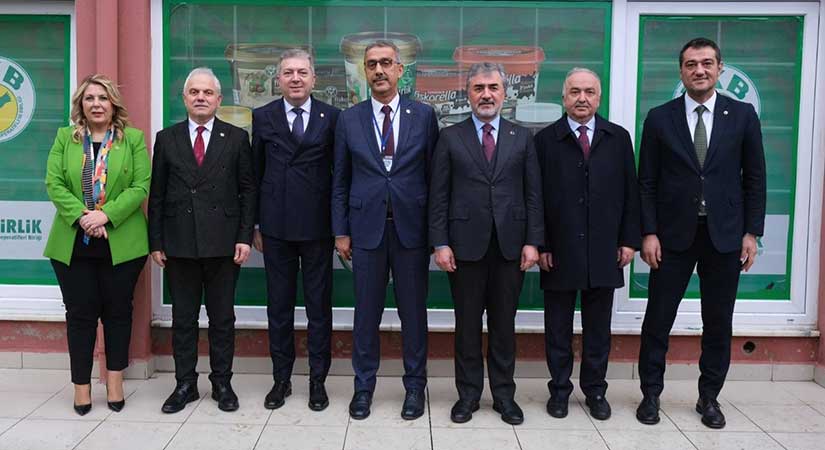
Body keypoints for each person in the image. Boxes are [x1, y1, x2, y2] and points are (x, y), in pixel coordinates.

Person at [635, 37, 766, 429]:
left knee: (718, 321)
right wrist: (648, 232)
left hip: (724, 236)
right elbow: (647, 182)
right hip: (672, 236)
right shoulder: (660, 118)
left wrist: (752, 232)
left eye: (707, 63)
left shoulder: (741, 116)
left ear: (719, 68)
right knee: (658, 318)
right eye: (691, 64)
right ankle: (650, 394)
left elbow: (755, 178)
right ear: (681, 71)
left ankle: (709, 397)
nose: (699, 70)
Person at [429, 62, 543, 425]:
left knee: (504, 325)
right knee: (466, 325)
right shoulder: (450, 136)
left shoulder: (521, 137)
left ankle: (504, 396)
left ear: (505, 93)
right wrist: (440, 243)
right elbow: (438, 195)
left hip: (510, 246)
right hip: (464, 247)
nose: (486, 94)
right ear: (468, 94)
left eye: (493, 87)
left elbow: (533, 195)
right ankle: (468, 395)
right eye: (479, 88)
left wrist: (533, 242)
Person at [332, 40, 439, 420]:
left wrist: (435, 234)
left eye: (386, 63)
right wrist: (341, 231)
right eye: (372, 64)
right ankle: (363, 389)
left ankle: (415, 388)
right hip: (365, 232)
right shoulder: (349, 119)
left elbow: (434, 178)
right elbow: (340, 180)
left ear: (399, 70)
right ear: (364, 71)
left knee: (414, 315)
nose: (379, 70)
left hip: (412, 232)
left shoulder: (423, 116)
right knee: (366, 315)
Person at [534, 68, 640, 421]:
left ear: (599, 97)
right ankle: (559, 390)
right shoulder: (545, 140)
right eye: (575, 92)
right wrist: (541, 244)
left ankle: (595, 391)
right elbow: (536, 198)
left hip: (604, 249)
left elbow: (630, 193)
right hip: (559, 250)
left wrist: (628, 240)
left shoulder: (618, 138)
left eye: (589, 92)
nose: (582, 98)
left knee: (598, 329)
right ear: (564, 97)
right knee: (558, 328)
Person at [148, 67, 256, 414]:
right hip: (179, 243)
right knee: (184, 319)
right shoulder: (167, 138)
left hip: (223, 244)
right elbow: (157, 194)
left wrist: (244, 237)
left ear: (219, 99)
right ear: (184, 98)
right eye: (194, 92)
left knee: (222, 319)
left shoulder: (236, 138)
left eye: (207, 93)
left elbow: (247, 192)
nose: (200, 97)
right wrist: (156, 241)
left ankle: (222, 383)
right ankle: (185, 384)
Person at [44, 74, 150, 415]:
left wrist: (105, 216)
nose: (97, 104)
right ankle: (81, 387)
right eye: (89, 98)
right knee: (80, 316)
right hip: (74, 243)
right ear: (81, 104)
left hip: (122, 242)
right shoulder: (66, 138)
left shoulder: (132, 139)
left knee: (118, 313)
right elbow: (54, 183)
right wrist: (84, 217)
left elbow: (140, 186)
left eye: (103, 98)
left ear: (113, 103)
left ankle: (115, 381)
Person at [251, 49, 340, 411]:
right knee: (279, 307)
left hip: (318, 228)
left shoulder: (332, 117)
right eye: (288, 72)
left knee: (319, 308)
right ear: (279, 79)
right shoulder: (263, 116)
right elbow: (255, 174)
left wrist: (340, 227)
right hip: (276, 227)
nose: (296, 78)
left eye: (302, 72)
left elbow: (339, 176)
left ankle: (318, 380)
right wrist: (255, 224)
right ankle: (281, 379)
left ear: (314, 79)